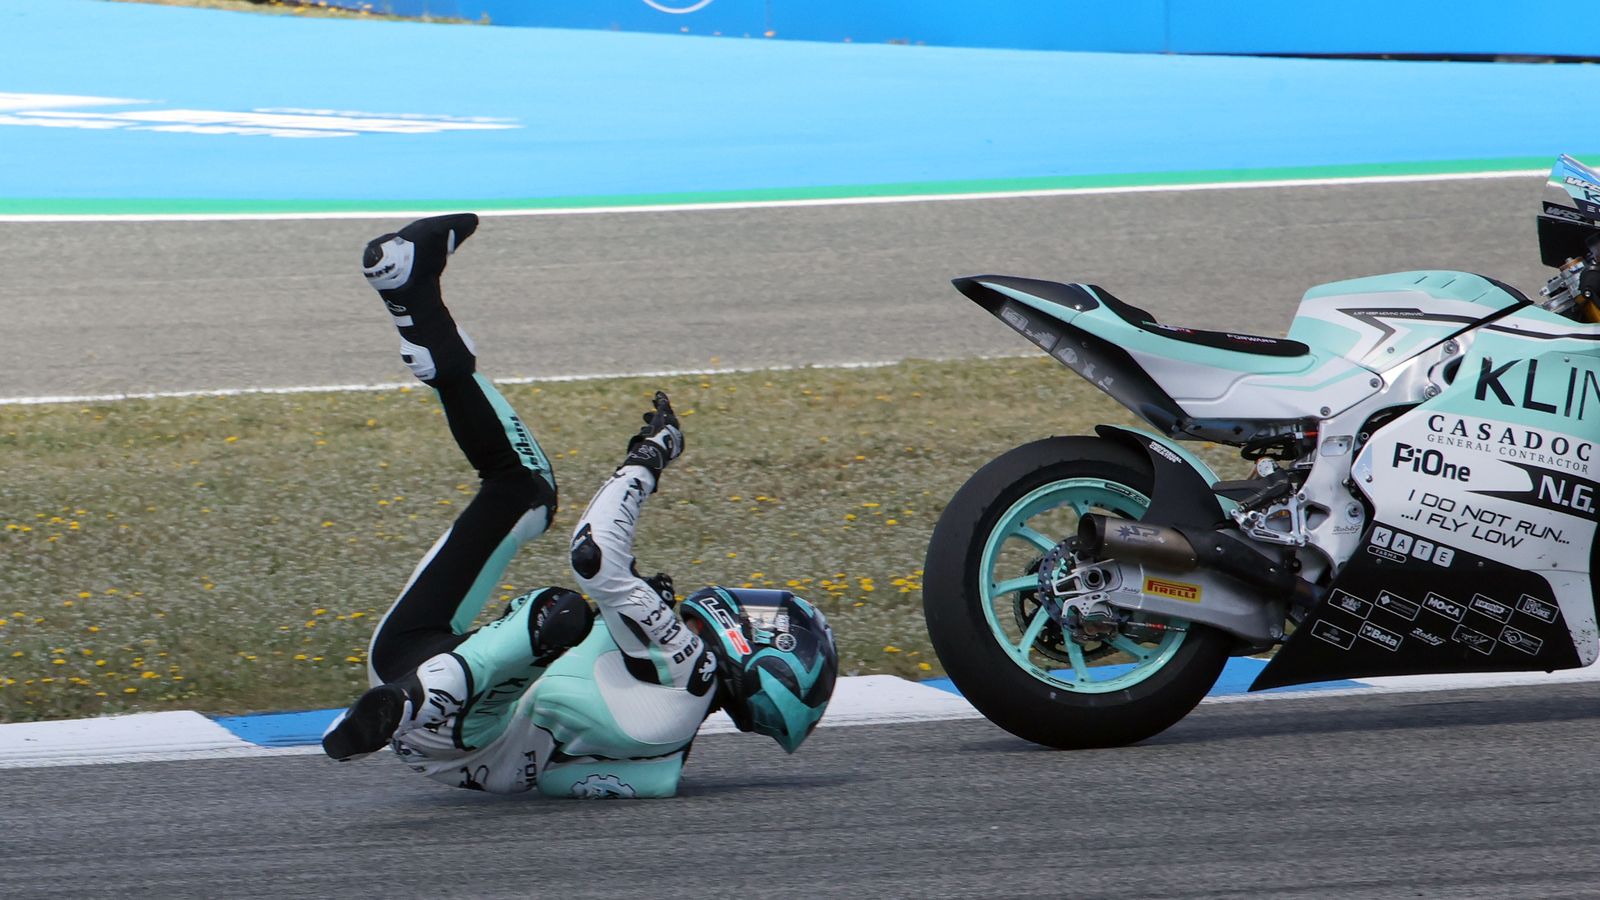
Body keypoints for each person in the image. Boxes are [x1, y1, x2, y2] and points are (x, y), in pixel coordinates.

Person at [320, 214, 839, 798]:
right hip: (433, 704)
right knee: (522, 489)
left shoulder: (689, 668)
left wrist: (646, 461)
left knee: (559, 611)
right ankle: (413, 300)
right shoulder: (668, 751)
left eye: (767, 623)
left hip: (432, 704)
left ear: (761, 660)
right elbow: (555, 769)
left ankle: (412, 698)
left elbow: (594, 556)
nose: (749, 605)